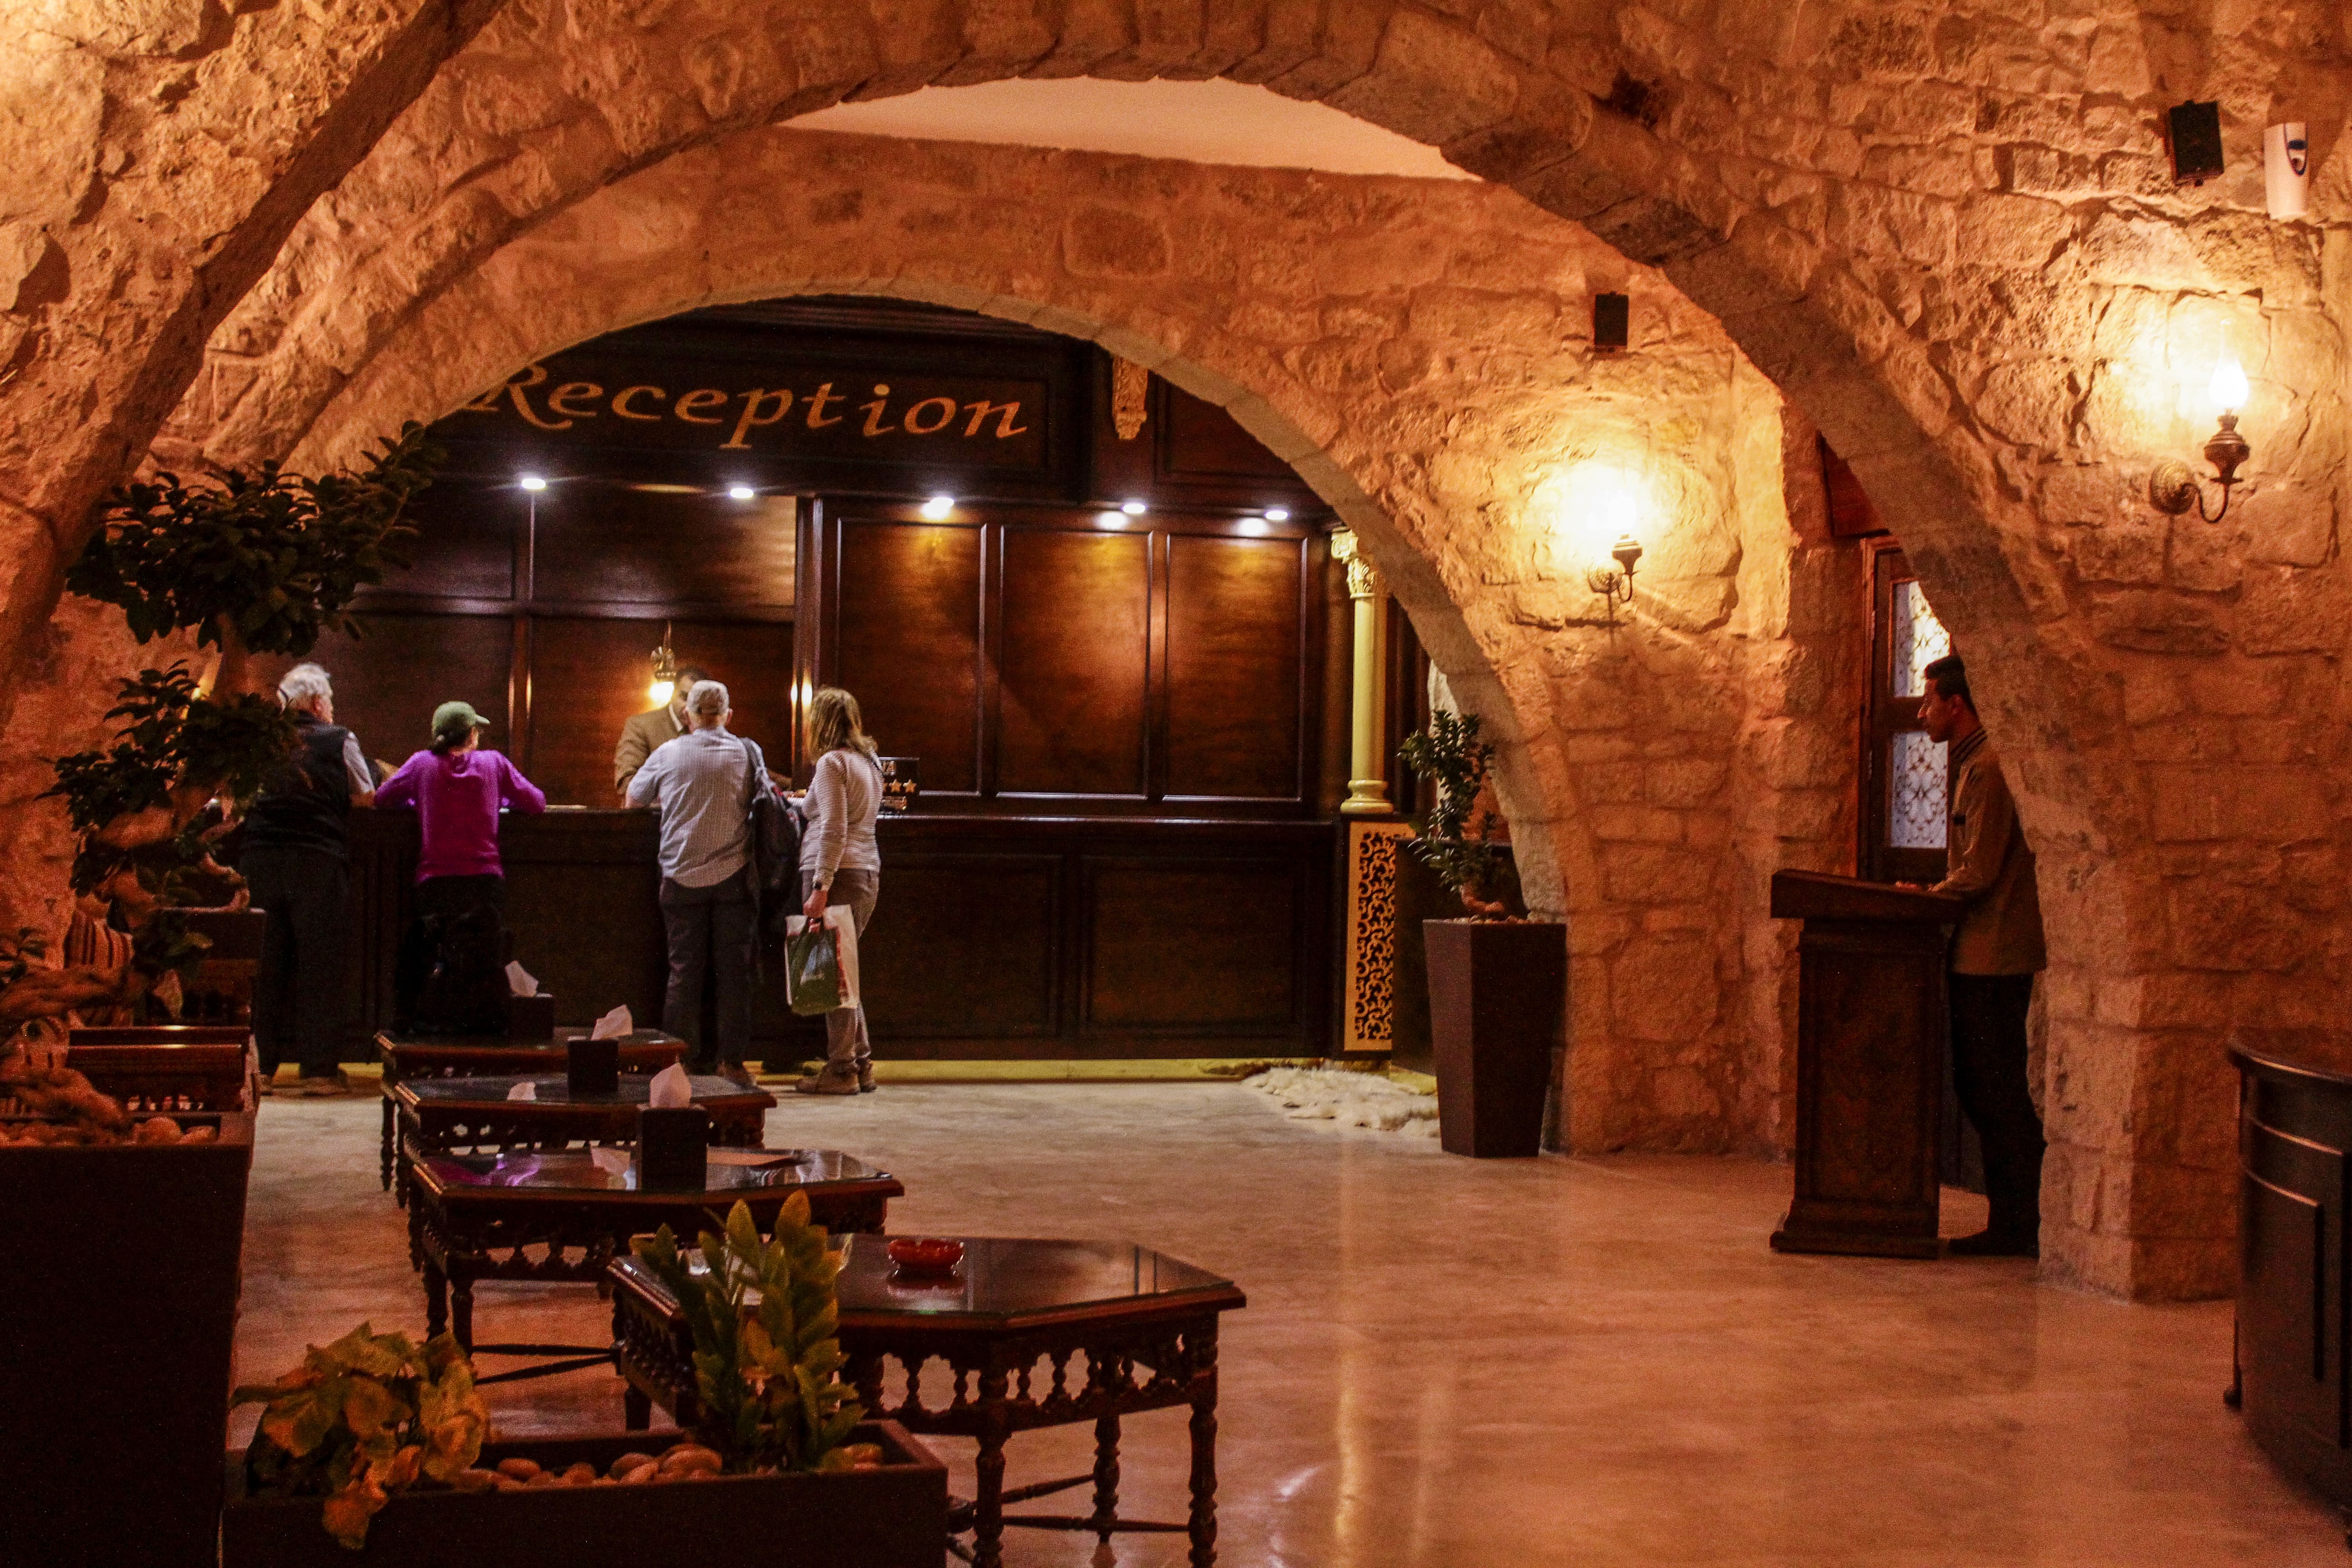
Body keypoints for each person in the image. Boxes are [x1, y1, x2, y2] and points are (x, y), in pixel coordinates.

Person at [1916, 653, 2048, 1258]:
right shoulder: (1975, 763)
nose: (1922, 714)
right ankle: (2013, 1218)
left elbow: (1981, 869)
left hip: (1994, 955)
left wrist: (1926, 901)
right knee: (1982, 1089)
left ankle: (2018, 1223)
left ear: (1957, 705)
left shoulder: (1990, 768)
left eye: (1929, 703)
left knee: (1996, 1092)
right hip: (1978, 951)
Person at [239, 662, 377, 1096]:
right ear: (317, 703)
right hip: (317, 859)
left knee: (265, 966)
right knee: (320, 964)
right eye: (329, 701)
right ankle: (318, 1071)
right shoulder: (339, 739)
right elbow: (365, 796)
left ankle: (260, 1071)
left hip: (260, 859)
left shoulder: (261, 742)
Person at [627, 678, 770, 1082]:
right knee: (734, 974)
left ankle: (679, 1062)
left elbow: (633, 799)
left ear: (688, 715)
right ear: (728, 715)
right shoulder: (747, 751)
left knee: (684, 973)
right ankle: (731, 1062)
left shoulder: (668, 753)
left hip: (679, 875)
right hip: (733, 877)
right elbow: (763, 799)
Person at [376, 701, 547, 1029]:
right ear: (471, 735)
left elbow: (383, 798)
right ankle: (476, 1035)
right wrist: (500, 800)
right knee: (480, 964)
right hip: (485, 884)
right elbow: (536, 803)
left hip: (435, 885)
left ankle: (430, 1030)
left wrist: (418, 800)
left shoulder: (421, 764)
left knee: (433, 960)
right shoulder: (494, 763)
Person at [794, 686, 883, 1097]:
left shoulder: (832, 763)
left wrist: (820, 885)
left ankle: (841, 1069)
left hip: (838, 873)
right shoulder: (869, 762)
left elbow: (833, 827)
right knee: (844, 970)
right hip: (866, 870)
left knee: (832, 974)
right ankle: (861, 1065)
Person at [614, 664, 711, 802]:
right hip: (653, 815)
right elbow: (626, 782)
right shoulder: (640, 726)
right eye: (684, 698)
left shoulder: (709, 731)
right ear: (673, 693)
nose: (689, 708)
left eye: (697, 702)